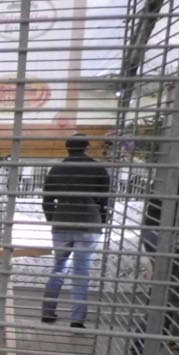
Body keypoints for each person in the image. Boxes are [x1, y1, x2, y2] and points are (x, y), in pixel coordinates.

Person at [40, 133, 112, 328]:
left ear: (68, 149)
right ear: (87, 147)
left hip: (62, 222)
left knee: (59, 268)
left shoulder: (56, 169)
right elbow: (104, 200)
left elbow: (47, 200)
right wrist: (101, 221)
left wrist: (53, 220)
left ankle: (47, 313)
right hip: (89, 223)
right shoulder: (98, 168)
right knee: (81, 271)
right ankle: (77, 319)